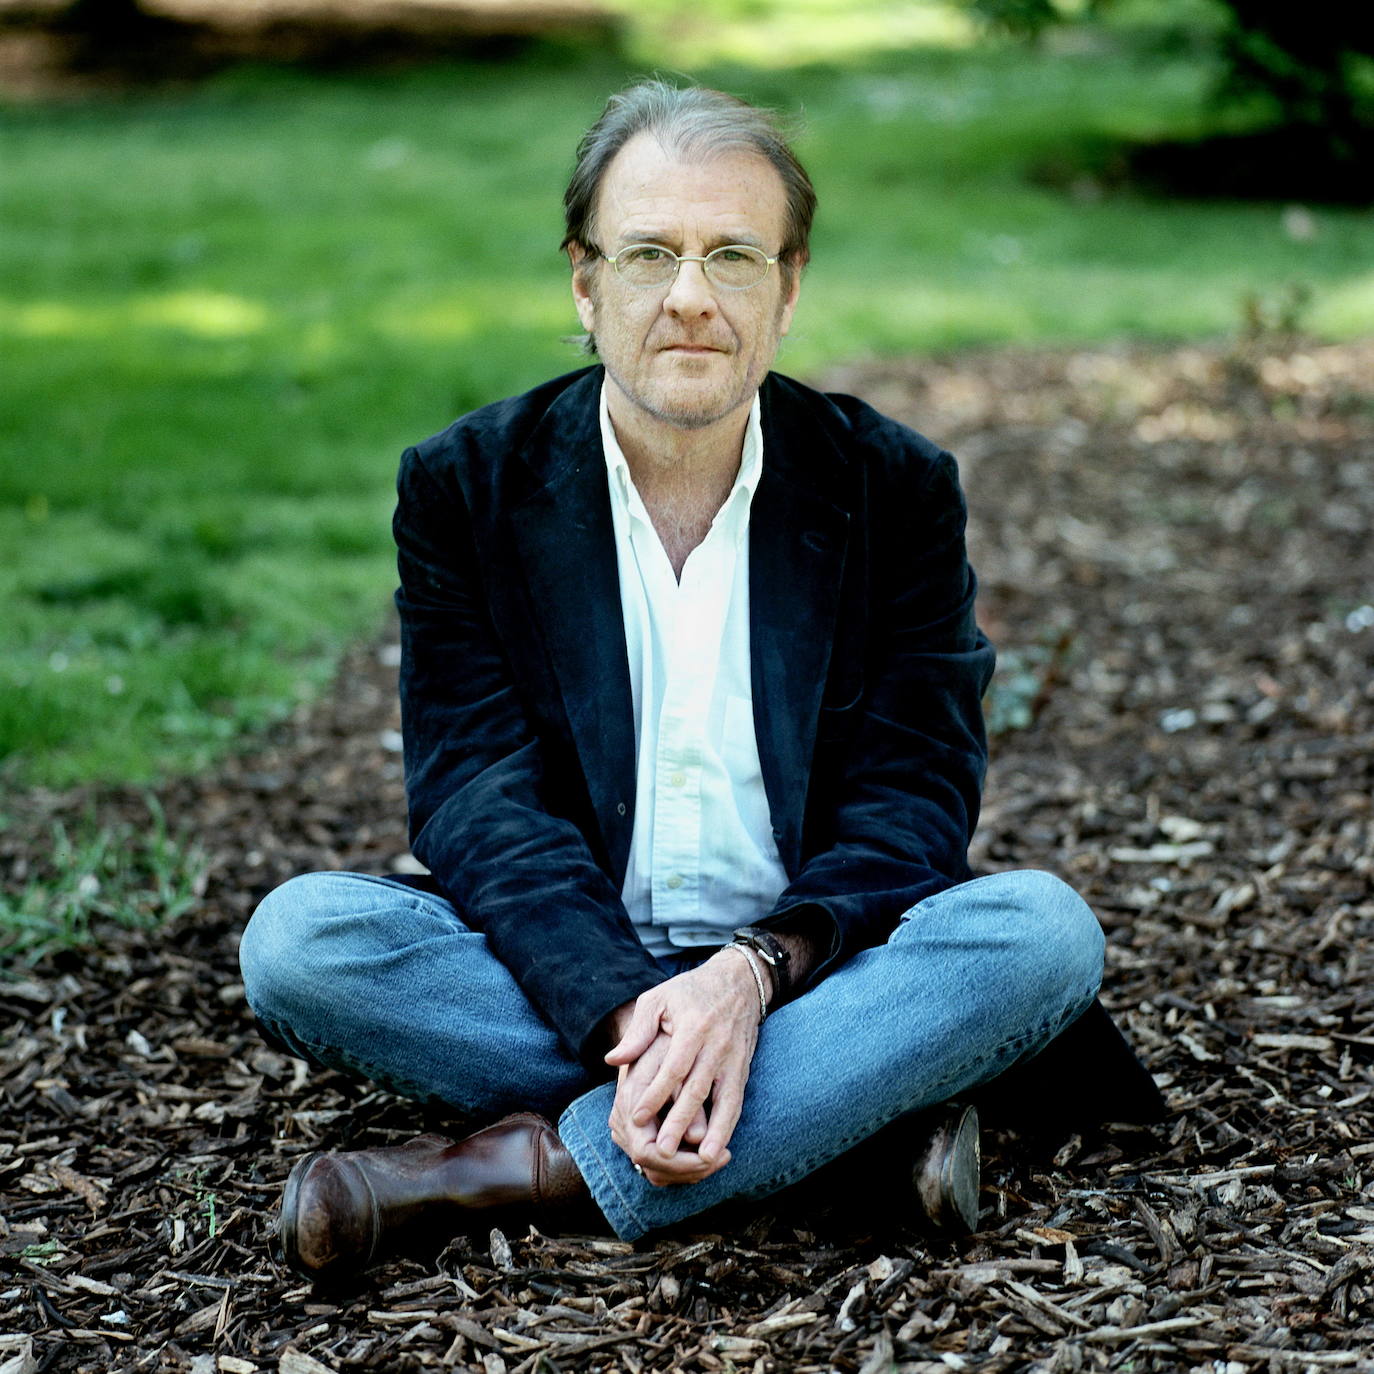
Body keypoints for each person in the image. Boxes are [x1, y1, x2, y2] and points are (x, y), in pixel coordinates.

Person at [239, 80, 1164, 1282]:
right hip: (559, 964)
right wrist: (633, 1009)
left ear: (788, 289)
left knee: (1039, 935)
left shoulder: (894, 489)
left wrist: (749, 976)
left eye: (733, 255)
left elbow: (916, 793)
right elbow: (475, 791)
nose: (690, 298)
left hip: (818, 963)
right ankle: (846, 1127)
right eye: (650, 255)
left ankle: (512, 1173)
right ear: (585, 284)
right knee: (304, 942)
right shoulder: (466, 486)